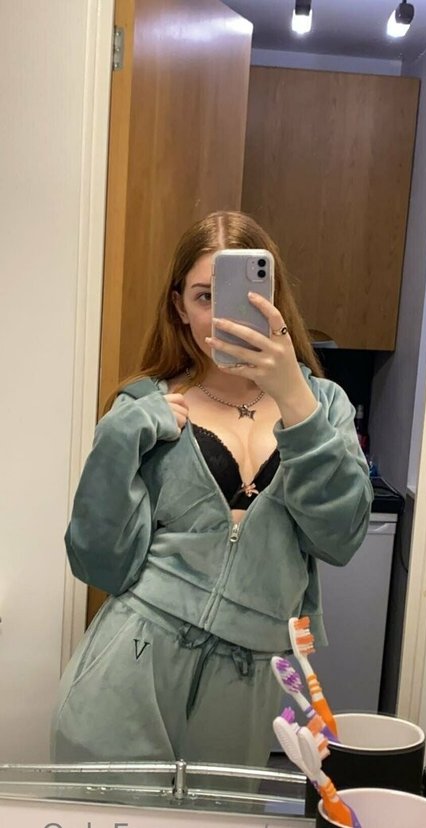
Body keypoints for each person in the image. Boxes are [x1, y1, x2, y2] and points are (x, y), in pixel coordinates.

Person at [51, 211, 373, 769]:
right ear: (179, 306)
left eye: (245, 297)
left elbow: (339, 539)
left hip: (247, 685)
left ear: (273, 299)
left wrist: (294, 400)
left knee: (218, 810)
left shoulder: (323, 405)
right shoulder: (146, 405)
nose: (223, 315)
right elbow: (99, 565)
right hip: (130, 670)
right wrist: (117, 441)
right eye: (205, 296)